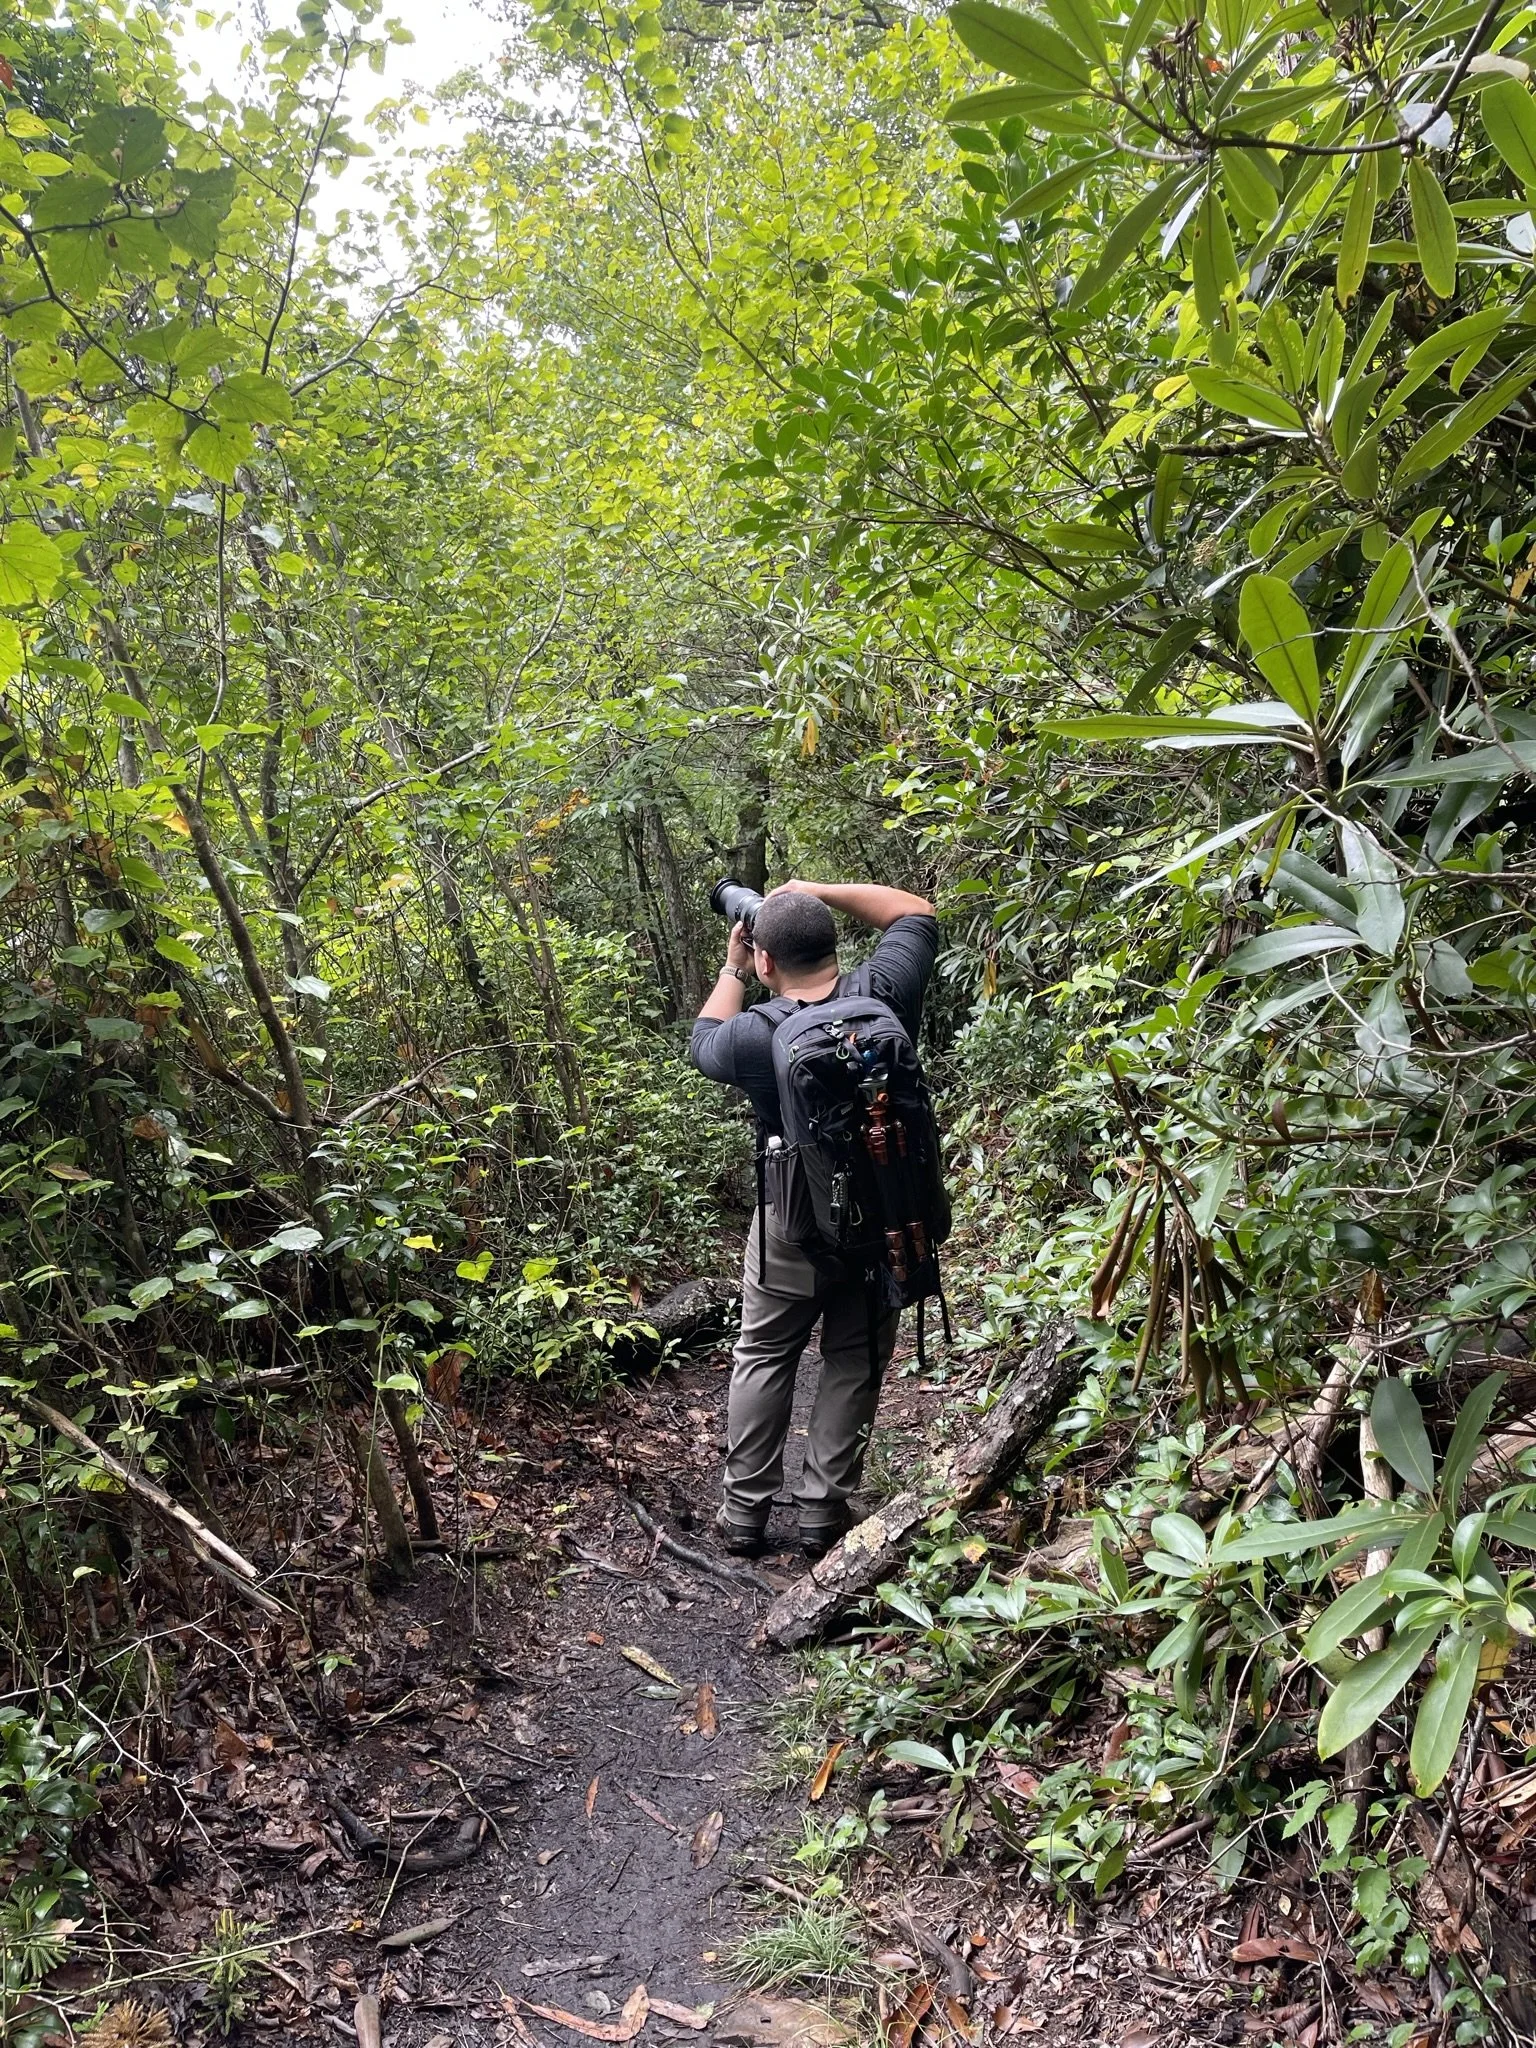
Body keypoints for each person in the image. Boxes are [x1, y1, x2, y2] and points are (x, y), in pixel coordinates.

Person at [689, 877, 939, 1557]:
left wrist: (732, 966)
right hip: (885, 1219)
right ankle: (820, 1517)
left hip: (791, 1221)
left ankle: (744, 1516)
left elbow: (702, 1038)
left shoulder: (751, 1035)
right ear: (833, 939)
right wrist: (816, 889)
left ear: (766, 959)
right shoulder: (883, 991)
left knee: (766, 1354)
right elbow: (914, 911)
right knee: (854, 1359)